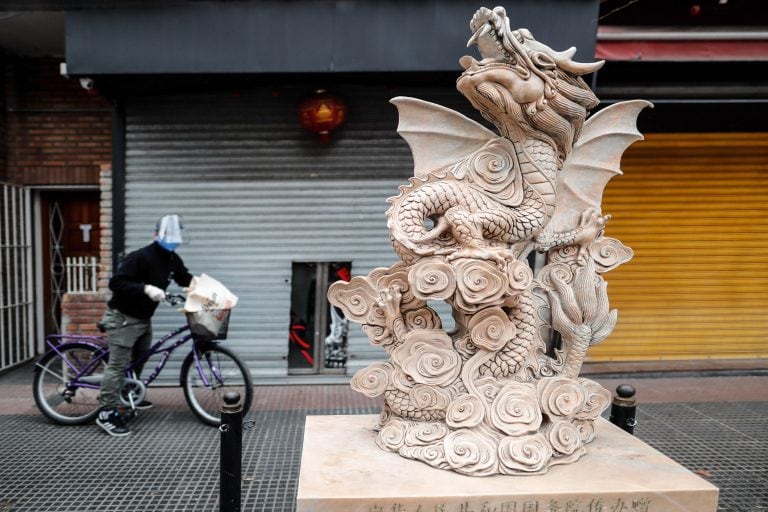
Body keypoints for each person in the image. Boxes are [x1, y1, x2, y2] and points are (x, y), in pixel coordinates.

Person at [96, 214, 193, 437]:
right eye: (168, 237)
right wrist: (146, 289)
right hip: (123, 317)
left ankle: (128, 393)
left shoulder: (172, 259)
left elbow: (184, 278)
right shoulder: (140, 257)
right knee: (118, 365)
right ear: (155, 235)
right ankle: (106, 411)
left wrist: (205, 289)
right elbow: (117, 282)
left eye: (175, 239)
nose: (172, 242)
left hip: (143, 318)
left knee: (140, 358)